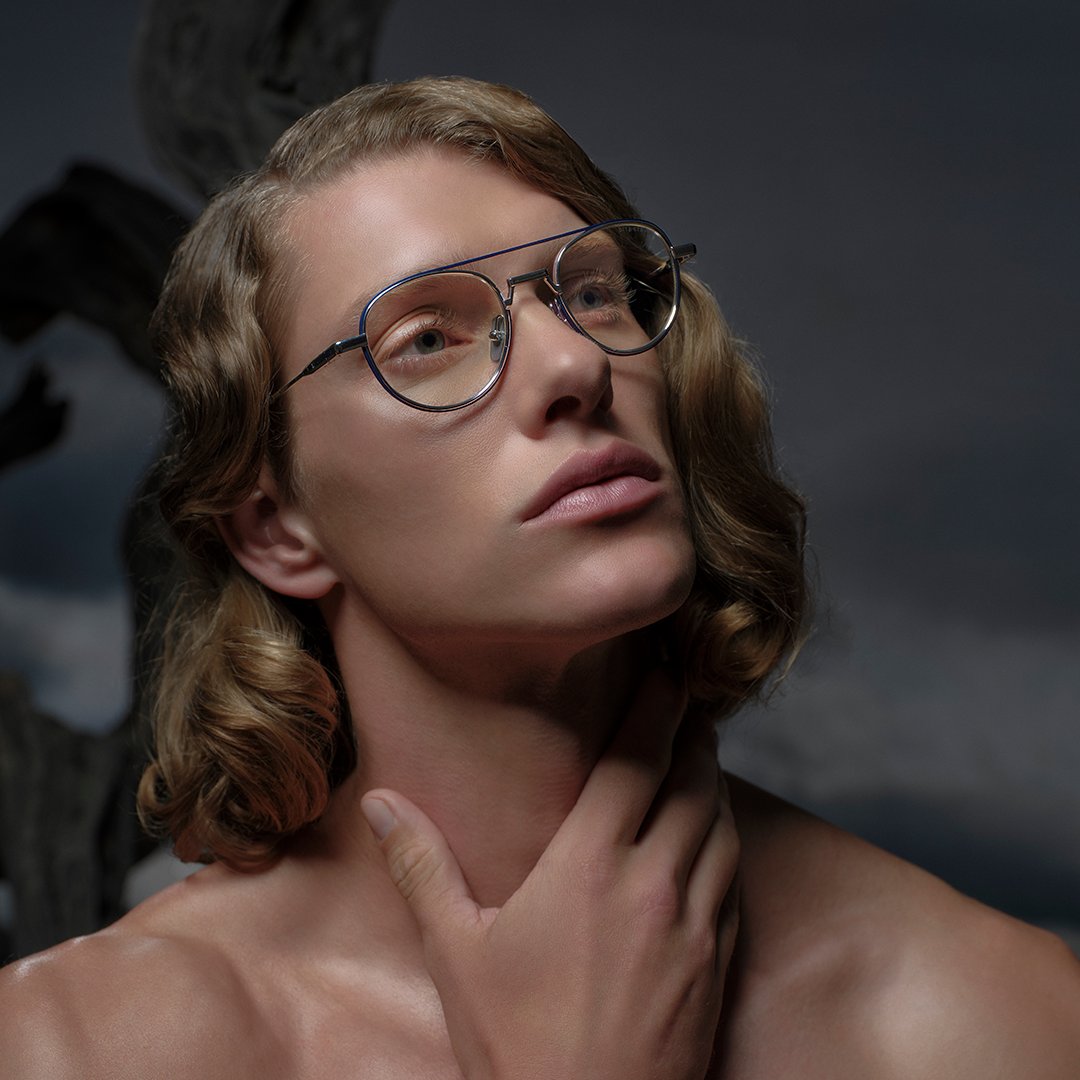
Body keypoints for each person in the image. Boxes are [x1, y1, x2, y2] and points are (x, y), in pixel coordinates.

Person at [1, 76, 1077, 1079]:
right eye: (426, 339)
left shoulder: (1001, 1021)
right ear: (278, 528)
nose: (576, 365)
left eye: (597, 294)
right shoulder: (67, 1048)